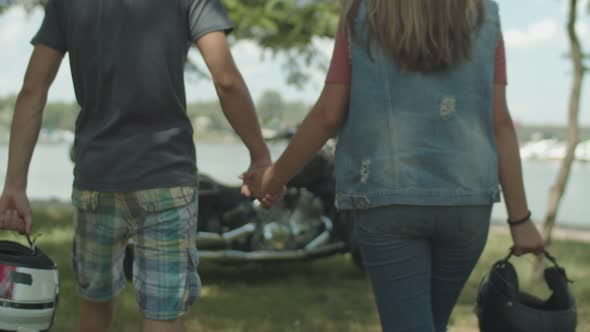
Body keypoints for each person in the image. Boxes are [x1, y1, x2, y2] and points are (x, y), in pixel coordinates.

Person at [243, 0, 546, 331]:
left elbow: (329, 114)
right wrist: (520, 219)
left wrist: (273, 179)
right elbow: (499, 120)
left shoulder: (362, 11)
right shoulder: (484, 12)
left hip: (388, 200)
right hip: (468, 201)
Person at [0, 1, 273, 331]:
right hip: (166, 180)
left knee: (95, 308)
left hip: (95, 180)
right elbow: (225, 80)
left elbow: (33, 89)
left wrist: (15, 184)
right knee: (162, 317)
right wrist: (260, 156)